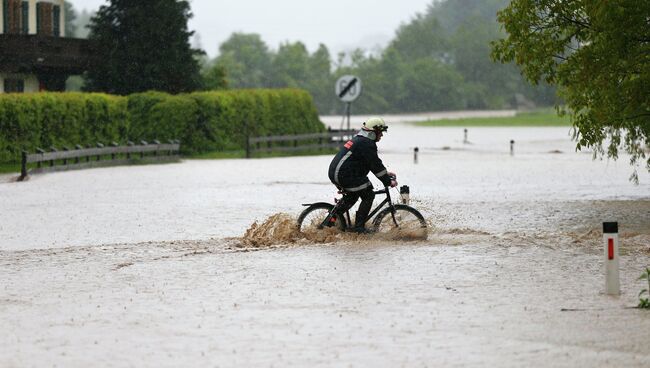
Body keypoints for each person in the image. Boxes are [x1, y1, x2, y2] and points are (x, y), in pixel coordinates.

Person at [328, 117, 397, 233]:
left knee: (353, 196)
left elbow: (370, 163)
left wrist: (385, 174)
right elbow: (375, 165)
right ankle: (359, 227)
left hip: (338, 173)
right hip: (344, 175)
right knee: (368, 194)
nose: (381, 135)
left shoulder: (361, 140)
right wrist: (388, 181)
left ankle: (332, 219)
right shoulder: (366, 143)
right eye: (380, 132)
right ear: (372, 132)